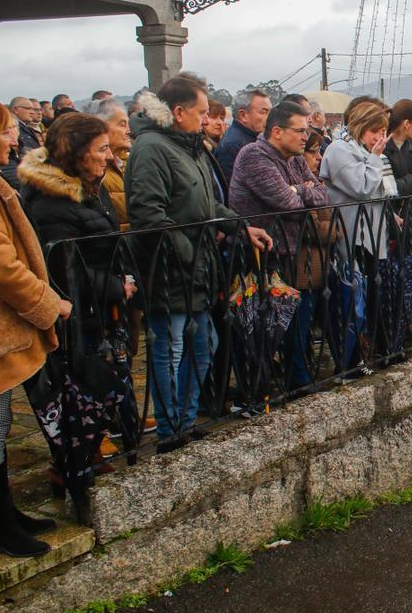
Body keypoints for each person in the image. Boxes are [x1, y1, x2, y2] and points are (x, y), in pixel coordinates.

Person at [125, 74, 272, 453]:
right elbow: (147, 214)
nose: (207, 119)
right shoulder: (152, 148)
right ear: (178, 112)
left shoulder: (188, 146)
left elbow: (206, 205)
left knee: (204, 343)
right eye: (202, 112)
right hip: (171, 269)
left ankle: (184, 422)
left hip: (197, 269)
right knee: (171, 348)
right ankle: (170, 431)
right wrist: (187, 251)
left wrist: (241, 226)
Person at [0, 95, 70, 556]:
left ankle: (3, 516)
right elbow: (0, 268)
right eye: (4, 130)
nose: (13, 138)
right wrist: (49, 305)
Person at [18, 113, 138, 477]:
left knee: (106, 376)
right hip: (79, 311)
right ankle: (76, 459)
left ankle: (95, 446)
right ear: (76, 153)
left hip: (102, 306)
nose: (108, 156)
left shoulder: (90, 185)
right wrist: (118, 287)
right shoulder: (50, 201)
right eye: (101, 149)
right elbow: (68, 270)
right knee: (81, 382)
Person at [230, 101, 329, 390]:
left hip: (292, 252)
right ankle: (257, 392)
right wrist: (301, 192)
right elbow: (291, 207)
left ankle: (296, 380)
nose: (304, 137)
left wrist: (298, 189)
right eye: (299, 130)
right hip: (259, 257)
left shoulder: (295, 157)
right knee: (264, 329)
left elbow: (323, 194)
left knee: (297, 323)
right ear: (277, 131)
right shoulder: (254, 156)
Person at [321, 100, 398, 367]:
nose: (380, 137)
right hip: (350, 237)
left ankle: (364, 354)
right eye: (375, 130)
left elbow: (385, 188)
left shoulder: (363, 150)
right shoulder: (339, 150)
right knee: (351, 301)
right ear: (360, 127)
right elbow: (363, 187)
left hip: (370, 237)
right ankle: (349, 362)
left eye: (383, 131)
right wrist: (376, 158)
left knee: (366, 298)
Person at [84, 98, 132, 229]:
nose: (129, 130)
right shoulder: (92, 171)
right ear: (100, 126)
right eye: (122, 124)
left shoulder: (127, 161)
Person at [215, 89, 272, 185]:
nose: (270, 118)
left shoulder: (257, 137)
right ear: (243, 115)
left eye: (270, 112)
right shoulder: (232, 145)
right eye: (264, 112)